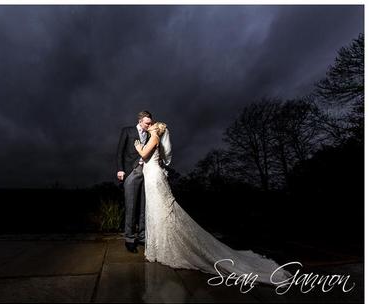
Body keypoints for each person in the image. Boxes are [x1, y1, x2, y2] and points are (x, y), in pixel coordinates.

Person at [134, 121, 293, 285]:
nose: (151, 125)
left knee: (160, 211)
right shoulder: (155, 138)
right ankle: (159, 247)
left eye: (153, 124)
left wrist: (138, 148)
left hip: (154, 178)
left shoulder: (154, 137)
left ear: (157, 129)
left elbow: (144, 155)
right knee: (156, 211)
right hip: (153, 177)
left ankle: (167, 249)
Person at [116, 110, 153, 253]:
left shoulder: (150, 133)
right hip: (132, 171)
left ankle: (142, 237)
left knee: (144, 207)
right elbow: (120, 151)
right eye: (146, 123)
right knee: (131, 207)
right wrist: (120, 169)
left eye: (150, 123)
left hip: (148, 172)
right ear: (140, 121)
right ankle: (130, 239)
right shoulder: (127, 131)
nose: (149, 126)